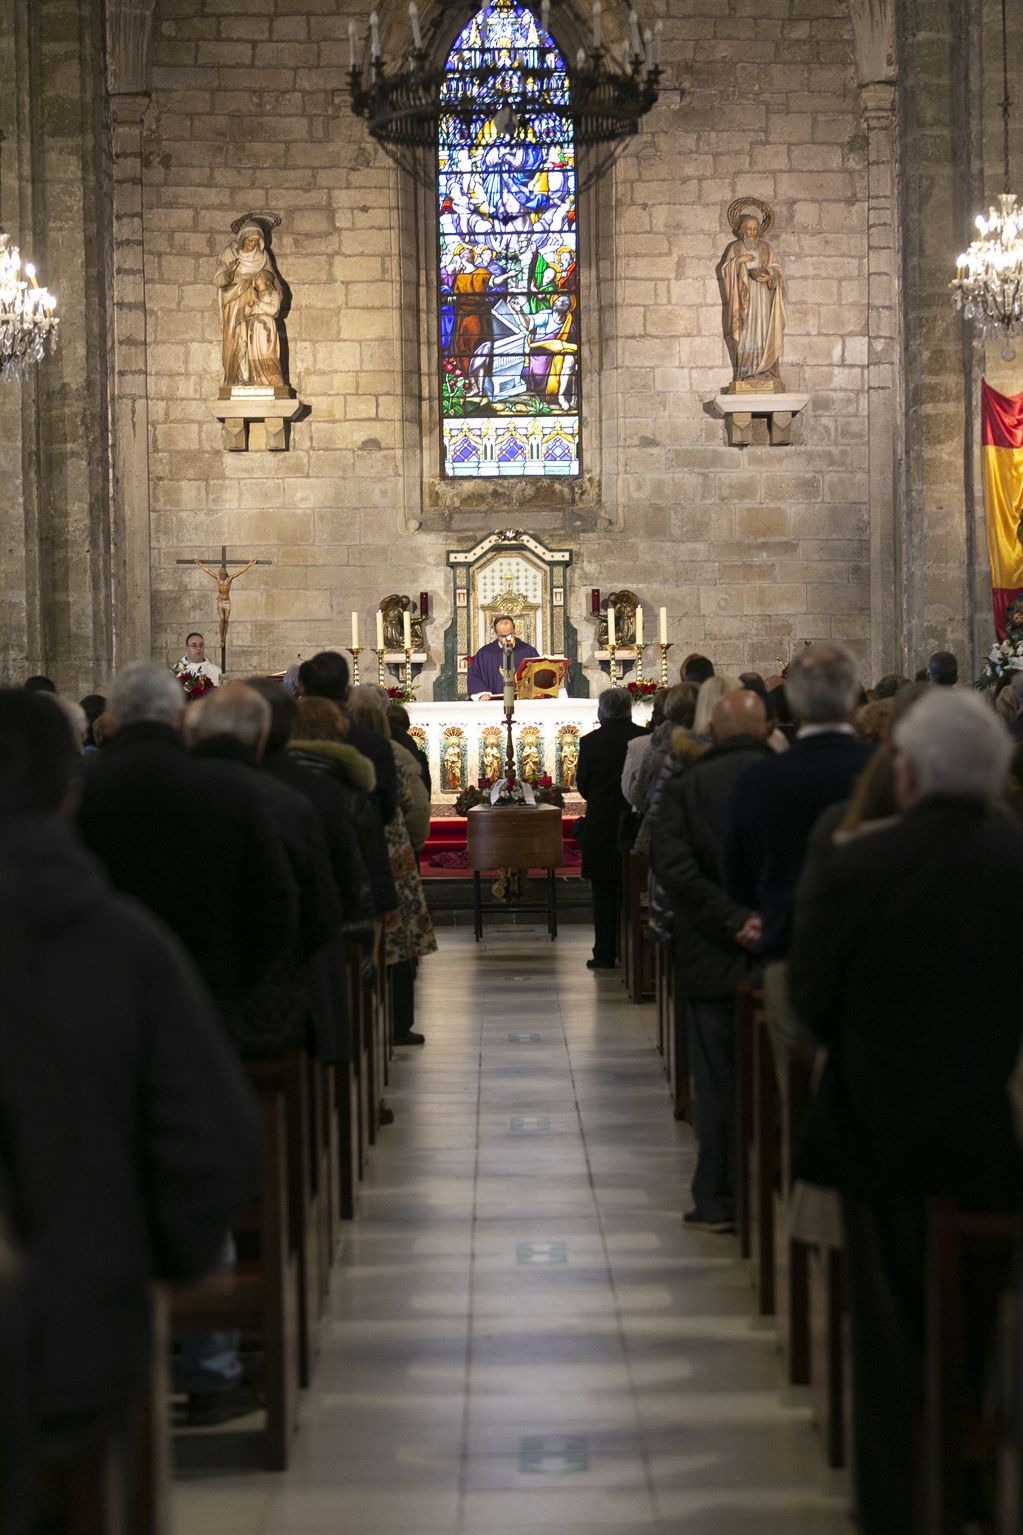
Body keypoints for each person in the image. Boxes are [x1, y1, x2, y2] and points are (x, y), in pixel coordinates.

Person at [0, 690, 260, 1532]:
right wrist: (135, 1266)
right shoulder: (122, 945)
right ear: (67, 791)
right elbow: (213, 1146)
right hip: (68, 1330)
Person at [788, 689, 1023, 1535]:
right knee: (987, 1327)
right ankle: (976, 1493)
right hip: (996, 1143)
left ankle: (894, 1507)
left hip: (877, 1138)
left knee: (888, 1345)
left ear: (910, 773)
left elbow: (810, 1004)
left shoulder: (856, 860)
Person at [651, 691, 771, 1232]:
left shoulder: (687, 784)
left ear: (715, 733)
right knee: (774, 1071)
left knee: (718, 1076)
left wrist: (729, 918)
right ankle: (773, 1190)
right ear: (767, 728)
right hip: (779, 949)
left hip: (709, 948)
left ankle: (717, 1194)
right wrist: (769, 920)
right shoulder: (785, 779)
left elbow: (672, 865)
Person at [722, 643, 873, 1071]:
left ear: (793, 702)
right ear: (851, 699)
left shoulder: (760, 777)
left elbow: (735, 873)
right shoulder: (882, 768)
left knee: (796, 1088)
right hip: (870, 953)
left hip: (789, 944)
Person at [576, 687, 645, 970]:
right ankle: (636, 950)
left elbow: (583, 784)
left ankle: (605, 952)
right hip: (635, 820)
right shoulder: (642, 738)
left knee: (603, 890)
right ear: (629, 710)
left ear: (601, 712)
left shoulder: (591, 742)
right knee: (635, 885)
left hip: (602, 822)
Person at [297, 650, 398, 826]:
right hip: (360, 846)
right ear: (347, 692)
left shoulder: (283, 741)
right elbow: (387, 812)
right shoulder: (375, 745)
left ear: (302, 689)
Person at [213, 220, 286, 392]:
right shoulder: (229, 253)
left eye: (255, 242)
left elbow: (272, 279)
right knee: (236, 338)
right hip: (235, 302)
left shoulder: (262, 257)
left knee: (255, 339)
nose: (251, 244)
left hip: (255, 302)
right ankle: (237, 377)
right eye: (248, 241)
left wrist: (277, 293)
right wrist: (230, 273)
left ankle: (256, 376)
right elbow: (217, 280)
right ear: (242, 238)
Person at [720, 208, 786, 385]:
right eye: (748, 228)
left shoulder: (766, 248)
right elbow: (725, 270)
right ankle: (746, 372)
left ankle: (765, 370)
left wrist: (770, 276)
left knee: (764, 331)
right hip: (744, 299)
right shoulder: (736, 247)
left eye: (755, 228)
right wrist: (738, 261)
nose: (752, 232)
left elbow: (777, 270)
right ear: (742, 229)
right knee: (746, 331)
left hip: (763, 298)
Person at [467, 614, 539, 701]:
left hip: (521, 703)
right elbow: (474, 676)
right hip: (492, 705)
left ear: (514, 630)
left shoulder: (528, 651)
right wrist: (482, 693)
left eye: (510, 634)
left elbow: (538, 677)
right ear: (496, 634)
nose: (508, 639)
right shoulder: (485, 654)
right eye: (503, 636)